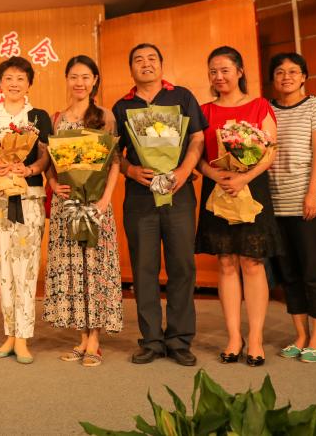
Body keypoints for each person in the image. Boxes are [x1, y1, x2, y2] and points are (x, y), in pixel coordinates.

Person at [112, 44, 206, 367]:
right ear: (131, 69)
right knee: (144, 268)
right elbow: (113, 152)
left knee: (182, 266)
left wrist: (184, 171)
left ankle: (179, 340)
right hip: (140, 197)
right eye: (138, 60)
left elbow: (197, 138)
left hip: (179, 194)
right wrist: (130, 170)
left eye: (152, 59)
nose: (146, 64)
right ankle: (151, 340)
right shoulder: (122, 106)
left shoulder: (182, 97)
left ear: (161, 65)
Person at [195, 45, 281, 367]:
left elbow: (270, 151)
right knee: (226, 262)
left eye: (225, 70)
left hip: (251, 188)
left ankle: (255, 337)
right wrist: (214, 174)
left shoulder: (260, 106)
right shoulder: (204, 111)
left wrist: (244, 178)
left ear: (240, 72)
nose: (218, 77)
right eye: (213, 71)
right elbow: (196, 155)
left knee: (252, 262)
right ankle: (234, 336)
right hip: (218, 187)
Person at [43, 55, 123, 367]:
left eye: (85, 77)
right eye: (74, 76)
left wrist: (105, 199)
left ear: (94, 80)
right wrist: (54, 185)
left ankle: (95, 341)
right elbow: (51, 164)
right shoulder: (57, 118)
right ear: (67, 79)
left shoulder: (105, 116)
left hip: (96, 204)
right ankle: (81, 337)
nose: (80, 82)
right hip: (67, 205)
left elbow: (114, 161)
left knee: (94, 267)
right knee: (73, 268)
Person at [0, 56, 52, 364]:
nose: (14, 84)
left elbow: (46, 156)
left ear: (29, 83)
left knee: (27, 266)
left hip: (29, 195)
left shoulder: (39, 117)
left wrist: (29, 169)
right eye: (8, 78)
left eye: (21, 78)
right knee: (2, 264)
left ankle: (23, 337)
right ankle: (9, 334)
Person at [268, 52, 316, 364]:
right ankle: (301, 335)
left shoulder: (315, 106)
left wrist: (311, 193)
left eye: (293, 71)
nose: (287, 77)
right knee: (289, 274)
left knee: (313, 272)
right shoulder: (267, 110)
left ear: (304, 77)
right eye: (280, 72)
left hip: (308, 202)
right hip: (275, 203)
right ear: (273, 79)